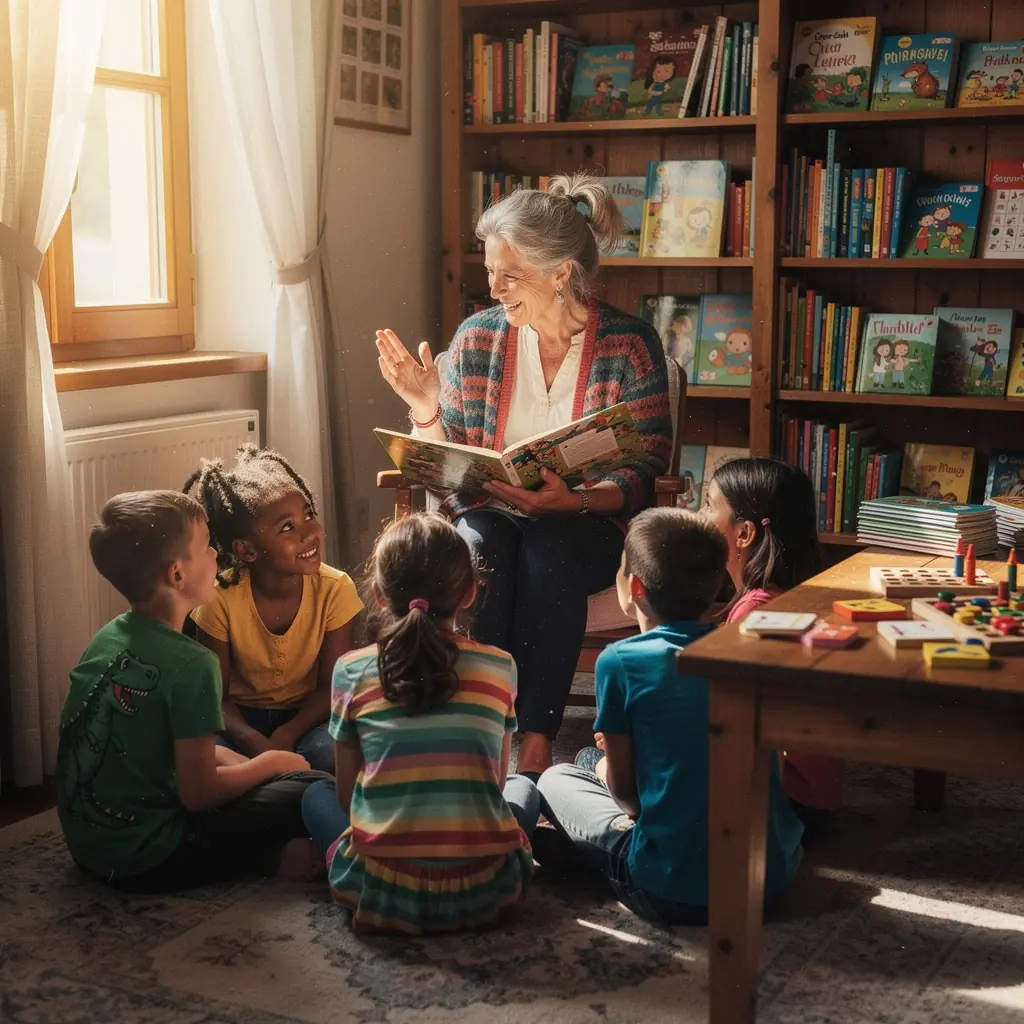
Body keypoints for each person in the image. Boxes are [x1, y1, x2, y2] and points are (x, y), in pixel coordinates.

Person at [375, 172, 672, 775]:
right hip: (488, 510)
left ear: (561, 272)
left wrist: (578, 502)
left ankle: (533, 737)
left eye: (510, 273)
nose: (495, 286)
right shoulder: (476, 340)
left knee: (552, 551)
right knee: (484, 546)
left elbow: (647, 466)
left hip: (586, 522)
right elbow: (448, 468)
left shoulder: (630, 346)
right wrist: (426, 408)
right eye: (491, 270)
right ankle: (486, 727)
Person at [535, 508, 804, 924]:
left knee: (554, 779)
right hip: (769, 880)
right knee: (589, 763)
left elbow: (628, 800)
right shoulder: (745, 647)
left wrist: (615, 766)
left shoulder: (620, 661)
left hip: (669, 889)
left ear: (634, 587)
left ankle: (591, 857)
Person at [57, 491, 329, 893]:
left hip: (91, 851)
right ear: (177, 575)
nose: (217, 555)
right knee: (314, 784)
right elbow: (199, 794)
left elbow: (165, 746)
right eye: (206, 547)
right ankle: (267, 856)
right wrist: (270, 765)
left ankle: (262, 848)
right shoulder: (192, 664)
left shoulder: (106, 639)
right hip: (153, 857)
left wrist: (243, 767)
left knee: (253, 772)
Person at [301, 514, 539, 934]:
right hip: (485, 888)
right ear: (469, 592)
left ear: (377, 592)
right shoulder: (501, 667)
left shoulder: (351, 670)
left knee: (313, 794)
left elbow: (345, 798)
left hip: (383, 892)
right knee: (524, 788)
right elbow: (497, 782)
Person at [187, 446, 362, 774]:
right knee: (201, 758)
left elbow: (331, 687)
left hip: (309, 720)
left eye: (309, 514)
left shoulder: (336, 589)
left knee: (337, 754)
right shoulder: (219, 599)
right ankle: (282, 786)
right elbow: (216, 698)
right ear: (247, 550)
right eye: (287, 527)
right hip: (239, 722)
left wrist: (288, 733)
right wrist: (253, 741)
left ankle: (271, 786)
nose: (310, 532)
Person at [703, 457, 842, 828]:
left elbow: (730, 725)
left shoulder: (755, 614)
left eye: (707, 505)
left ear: (744, 533)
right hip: (808, 798)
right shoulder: (786, 596)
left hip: (780, 805)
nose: (698, 517)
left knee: (591, 764)